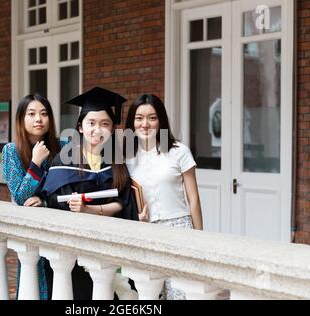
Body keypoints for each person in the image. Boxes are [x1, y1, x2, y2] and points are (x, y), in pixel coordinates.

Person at [42, 86, 139, 300]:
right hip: (74, 249)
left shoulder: (116, 161)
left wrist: (90, 209)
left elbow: (123, 201)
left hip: (107, 245)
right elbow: (55, 202)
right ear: (80, 127)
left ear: (113, 129)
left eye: (105, 124)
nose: (98, 129)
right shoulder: (64, 161)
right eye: (91, 123)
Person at [125, 93, 203, 300]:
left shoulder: (179, 151)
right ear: (132, 122)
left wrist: (199, 237)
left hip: (179, 227)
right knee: (150, 295)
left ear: (161, 121)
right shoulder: (125, 156)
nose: (145, 124)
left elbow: (193, 198)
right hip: (145, 231)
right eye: (139, 118)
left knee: (180, 294)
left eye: (152, 118)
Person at [1, 93, 63, 300]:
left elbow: (67, 189)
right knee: (35, 285)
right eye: (32, 114)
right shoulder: (12, 151)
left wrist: (45, 201)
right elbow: (20, 197)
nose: (39, 119)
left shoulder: (61, 147)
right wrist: (35, 164)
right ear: (21, 119)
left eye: (44, 114)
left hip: (61, 229)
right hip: (31, 233)